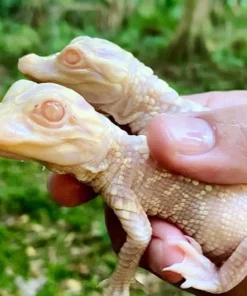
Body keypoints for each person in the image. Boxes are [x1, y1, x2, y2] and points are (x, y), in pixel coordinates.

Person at [48, 91, 247, 296]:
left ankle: (220, 282)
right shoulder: (127, 161)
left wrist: (121, 277)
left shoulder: (122, 174)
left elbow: (140, 235)